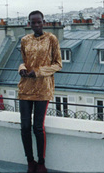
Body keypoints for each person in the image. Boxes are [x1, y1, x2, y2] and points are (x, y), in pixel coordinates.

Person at [18, 10, 62, 173]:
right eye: (33, 22)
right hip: (25, 88)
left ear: (44, 22)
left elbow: (58, 64)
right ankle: (30, 161)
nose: (36, 25)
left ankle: (41, 163)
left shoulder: (51, 39)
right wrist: (22, 69)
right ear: (29, 23)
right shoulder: (24, 40)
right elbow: (23, 61)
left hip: (43, 88)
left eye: (39, 22)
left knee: (38, 127)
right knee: (24, 127)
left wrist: (37, 71)